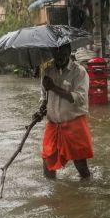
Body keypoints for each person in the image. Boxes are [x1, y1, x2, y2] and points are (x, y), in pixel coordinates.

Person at [32, 44, 93, 179]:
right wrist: (41, 110)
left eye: (63, 51)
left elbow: (80, 98)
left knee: (81, 166)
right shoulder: (47, 70)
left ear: (69, 51)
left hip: (74, 124)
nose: (59, 55)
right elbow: (44, 97)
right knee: (47, 163)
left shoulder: (79, 72)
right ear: (52, 52)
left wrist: (54, 87)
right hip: (53, 124)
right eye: (56, 51)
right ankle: (51, 196)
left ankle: (87, 193)